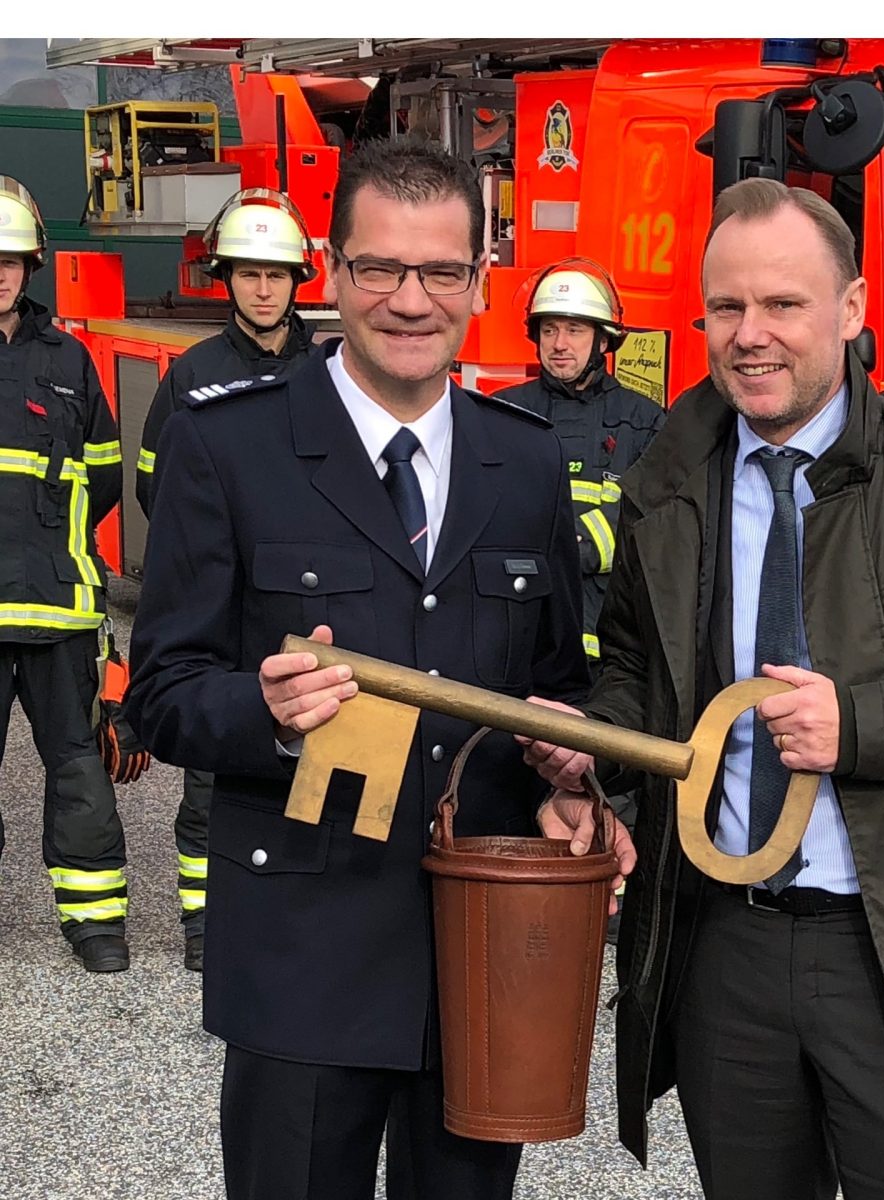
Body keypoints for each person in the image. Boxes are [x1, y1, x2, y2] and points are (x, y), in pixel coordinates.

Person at [526, 178, 884, 1199]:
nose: (751, 335)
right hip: (725, 943)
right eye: (728, 308)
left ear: (851, 309)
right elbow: (634, 668)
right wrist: (594, 741)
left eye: (785, 305)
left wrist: (863, 723)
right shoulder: (668, 476)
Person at [125, 139, 595, 1200]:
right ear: (334, 271)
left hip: (478, 958)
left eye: (441, 271)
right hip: (303, 959)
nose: (410, 300)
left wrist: (572, 770)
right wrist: (268, 712)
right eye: (380, 267)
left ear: (481, 280)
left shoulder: (523, 461)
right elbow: (162, 694)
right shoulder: (229, 446)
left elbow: (564, 681)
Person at [135, 188, 321, 972]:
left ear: (297, 281)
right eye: (248, 274)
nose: (263, 289)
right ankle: (207, 926)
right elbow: (157, 485)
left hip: (310, 596)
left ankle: (307, 915)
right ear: (226, 279)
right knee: (217, 766)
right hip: (228, 600)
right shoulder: (194, 376)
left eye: (277, 275)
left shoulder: (331, 370)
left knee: (317, 750)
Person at [497, 263, 663, 941]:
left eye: (576, 329)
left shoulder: (647, 423)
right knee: (515, 770)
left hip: (608, 644)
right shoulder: (503, 413)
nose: (560, 342)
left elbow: (656, 526)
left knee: (604, 771)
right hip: (521, 635)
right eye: (550, 328)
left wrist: (569, 547)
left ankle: (608, 901)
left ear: (605, 340)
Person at [0, 176, 128, 972]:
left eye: (10, 261)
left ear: (32, 267)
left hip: (57, 612)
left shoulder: (69, 362)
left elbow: (107, 476)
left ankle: (95, 926)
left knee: (80, 772)